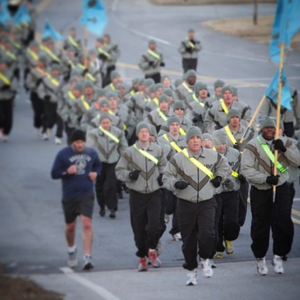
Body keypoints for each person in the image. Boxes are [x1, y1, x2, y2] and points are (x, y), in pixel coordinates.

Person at [163, 126, 229, 285]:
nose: (195, 141)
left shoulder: (213, 155)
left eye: (197, 138)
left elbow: (225, 167)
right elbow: (166, 177)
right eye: (192, 139)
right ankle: (191, 271)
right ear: (187, 142)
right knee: (189, 241)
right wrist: (175, 184)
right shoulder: (178, 158)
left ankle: (205, 258)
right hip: (186, 203)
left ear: (201, 140)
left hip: (207, 201)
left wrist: (219, 178)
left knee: (208, 233)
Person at [241, 117, 300, 276]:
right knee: (260, 224)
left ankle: (279, 255)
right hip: (261, 189)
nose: (270, 130)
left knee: (282, 222)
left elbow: (298, 161)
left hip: (281, 188)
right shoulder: (252, 146)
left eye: (272, 128)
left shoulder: (286, 143)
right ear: (262, 129)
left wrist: (285, 150)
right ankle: (260, 257)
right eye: (267, 128)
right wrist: (264, 178)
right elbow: (246, 169)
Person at [116, 122, 167, 272]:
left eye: (147, 131)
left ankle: (152, 249)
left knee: (155, 225)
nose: (144, 134)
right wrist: (129, 175)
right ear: (137, 134)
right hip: (137, 194)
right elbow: (119, 171)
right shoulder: (130, 152)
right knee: (138, 228)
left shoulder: (158, 150)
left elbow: (164, 166)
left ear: (150, 134)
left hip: (154, 193)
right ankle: (142, 257)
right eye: (141, 131)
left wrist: (162, 176)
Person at [51, 129, 102, 270]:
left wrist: (95, 173)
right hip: (69, 195)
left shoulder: (91, 153)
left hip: (86, 193)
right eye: (77, 142)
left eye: (81, 142)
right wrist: (67, 172)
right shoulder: (63, 154)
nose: (80, 145)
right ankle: (71, 249)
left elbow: (98, 165)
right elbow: (54, 173)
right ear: (72, 142)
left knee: (86, 223)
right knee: (70, 226)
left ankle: (87, 257)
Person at [86, 113, 128, 218]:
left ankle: (112, 207)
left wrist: (126, 158)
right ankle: (101, 205)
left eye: (107, 122)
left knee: (110, 184)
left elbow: (123, 146)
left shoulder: (117, 132)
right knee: (99, 185)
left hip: (113, 161)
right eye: (103, 123)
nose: (105, 124)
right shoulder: (94, 133)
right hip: (99, 162)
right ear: (100, 123)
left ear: (111, 123)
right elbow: (89, 146)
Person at [0, 57, 18, 141]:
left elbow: (14, 85)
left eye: (4, 65)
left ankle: (5, 132)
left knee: (8, 118)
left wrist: (9, 87)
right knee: (1, 117)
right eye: (1, 65)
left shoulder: (10, 75)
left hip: (8, 98)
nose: (2, 66)